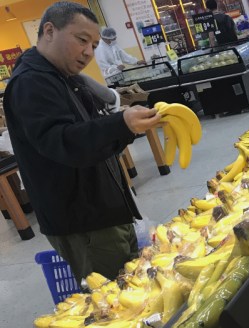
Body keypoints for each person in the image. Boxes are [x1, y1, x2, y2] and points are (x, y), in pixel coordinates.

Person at [3, 1, 161, 282]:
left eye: (95, 44)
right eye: (82, 40)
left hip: (105, 211)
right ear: (49, 31)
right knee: (117, 300)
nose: (89, 52)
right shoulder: (31, 83)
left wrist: (122, 126)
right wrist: (120, 124)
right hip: (84, 223)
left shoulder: (66, 78)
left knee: (135, 289)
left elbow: (91, 137)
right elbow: (64, 143)